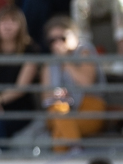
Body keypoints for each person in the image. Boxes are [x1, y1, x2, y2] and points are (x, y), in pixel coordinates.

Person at [41, 15, 106, 152]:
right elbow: (46, 98)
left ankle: (70, 154)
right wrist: (58, 96)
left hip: (88, 109)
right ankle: (76, 150)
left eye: (62, 38)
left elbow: (86, 83)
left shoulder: (85, 51)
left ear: (75, 36)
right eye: (52, 40)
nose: (57, 43)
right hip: (60, 110)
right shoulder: (49, 64)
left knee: (60, 132)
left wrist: (66, 60)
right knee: (58, 110)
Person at [0, 5, 41, 147]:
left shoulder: (30, 50)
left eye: (13, 21)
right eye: (3, 21)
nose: (8, 26)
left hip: (20, 110)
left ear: (21, 26)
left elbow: (21, 88)